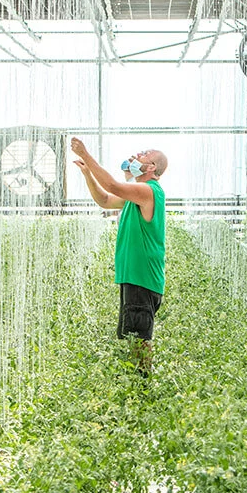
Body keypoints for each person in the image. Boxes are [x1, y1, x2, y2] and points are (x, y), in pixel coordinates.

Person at [70, 138, 167, 372]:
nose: (138, 154)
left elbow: (112, 186)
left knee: (139, 339)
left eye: (144, 153)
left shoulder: (148, 191)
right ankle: (137, 384)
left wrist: (86, 154)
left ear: (152, 167)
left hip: (141, 277)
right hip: (135, 276)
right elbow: (105, 200)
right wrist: (87, 174)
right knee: (134, 337)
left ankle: (142, 388)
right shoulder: (137, 194)